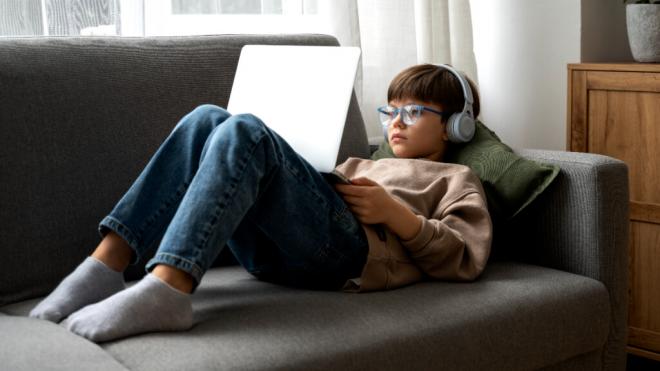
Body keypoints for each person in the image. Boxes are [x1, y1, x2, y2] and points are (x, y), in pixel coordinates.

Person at [29, 63, 492, 342]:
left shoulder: (456, 178)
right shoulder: (361, 162)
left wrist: (399, 217)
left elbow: (464, 258)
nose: (397, 121)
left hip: (351, 258)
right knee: (206, 118)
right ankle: (105, 267)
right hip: (277, 252)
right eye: (391, 109)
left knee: (244, 130)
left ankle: (169, 290)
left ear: (457, 126)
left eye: (414, 111)